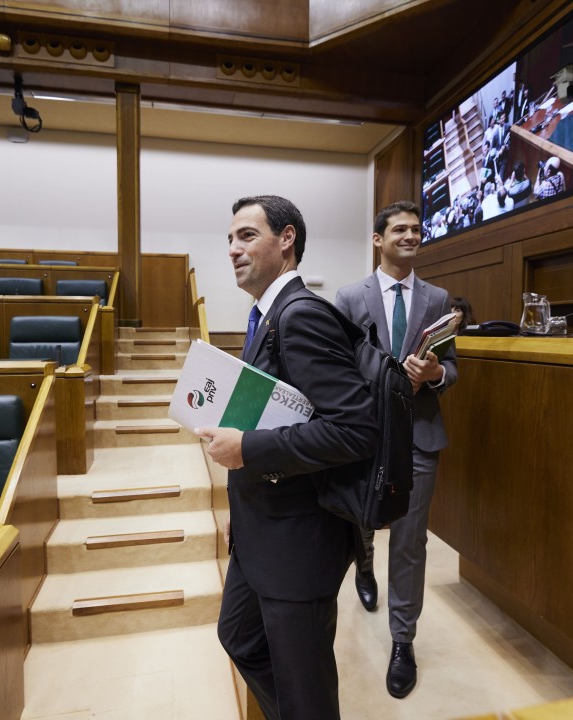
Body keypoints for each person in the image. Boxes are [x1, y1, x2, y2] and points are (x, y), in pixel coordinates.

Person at [199, 195, 379, 720]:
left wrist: (246, 449)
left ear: (287, 239)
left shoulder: (301, 316)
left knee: (305, 690)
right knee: (239, 636)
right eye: (230, 240)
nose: (233, 249)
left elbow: (354, 430)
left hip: (300, 542)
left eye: (247, 236)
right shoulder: (266, 316)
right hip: (263, 526)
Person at [334, 200, 459, 699]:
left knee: (410, 540)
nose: (410, 236)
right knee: (363, 517)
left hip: (420, 434)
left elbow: (453, 369)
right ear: (378, 240)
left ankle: (403, 640)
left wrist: (436, 373)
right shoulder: (349, 297)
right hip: (366, 433)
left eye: (416, 230)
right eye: (400, 229)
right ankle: (364, 564)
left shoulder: (438, 298)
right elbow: (339, 367)